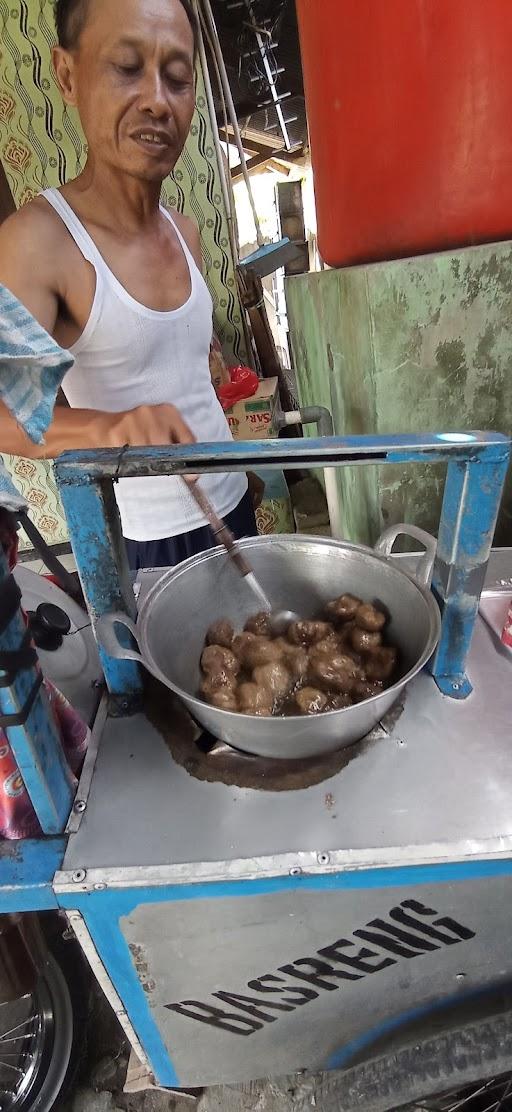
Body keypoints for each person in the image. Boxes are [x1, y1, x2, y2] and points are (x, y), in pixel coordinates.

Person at [0, 0, 262, 570]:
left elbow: (181, 369)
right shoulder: (40, 242)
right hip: (150, 538)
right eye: (125, 67)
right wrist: (112, 426)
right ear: (68, 76)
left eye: (177, 78)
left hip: (231, 496)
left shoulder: (185, 231)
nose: (157, 101)